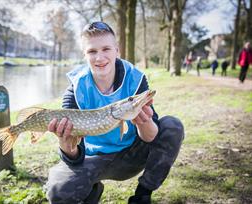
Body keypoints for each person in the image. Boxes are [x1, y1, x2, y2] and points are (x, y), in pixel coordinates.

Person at [44, 21, 184, 204]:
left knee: (172, 126)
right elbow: (74, 158)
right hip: (92, 159)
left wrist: (144, 121)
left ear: (117, 51)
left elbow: (151, 137)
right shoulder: (75, 90)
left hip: (132, 156)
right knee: (58, 191)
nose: (99, 57)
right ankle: (92, 188)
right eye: (92, 51)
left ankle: (142, 196)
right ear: (84, 55)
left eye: (106, 49)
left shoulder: (136, 79)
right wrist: (66, 144)